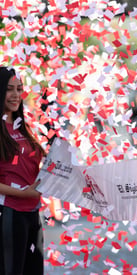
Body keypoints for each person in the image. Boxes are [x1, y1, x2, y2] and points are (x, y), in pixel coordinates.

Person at [0, 67, 45, 274]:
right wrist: (23, 193)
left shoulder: (22, 128)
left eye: (19, 89)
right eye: (9, 89)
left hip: (33, 213)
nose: (16, 95)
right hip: (9, 213)